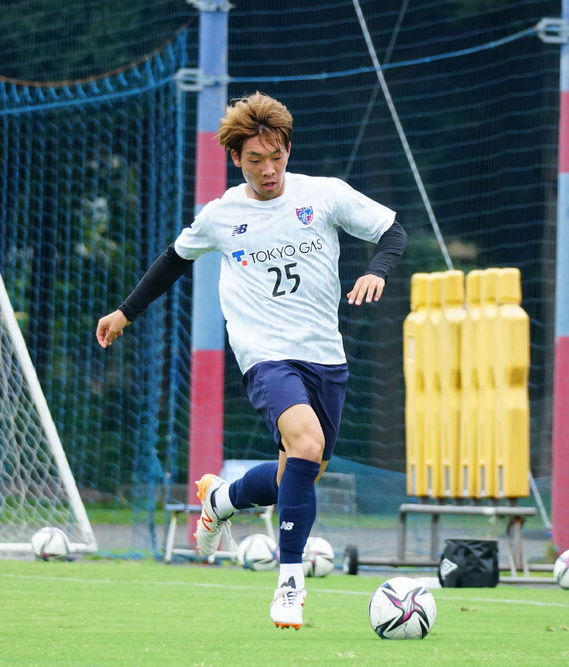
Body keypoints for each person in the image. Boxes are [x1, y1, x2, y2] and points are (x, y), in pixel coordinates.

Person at [95, 92, 407, 630]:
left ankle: (221, 500)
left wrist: (376, 270)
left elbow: (392, 231)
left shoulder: (324, 195)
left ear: (288, 150)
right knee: (305, 443)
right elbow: (173, 260)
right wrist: (125, 312)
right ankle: (290, 583)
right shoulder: (222, 215)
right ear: (236, 158)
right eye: (256, 159)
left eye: (277, 156)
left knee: (300, 471)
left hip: (324, 356)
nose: (269, 170)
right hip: (264, 356)